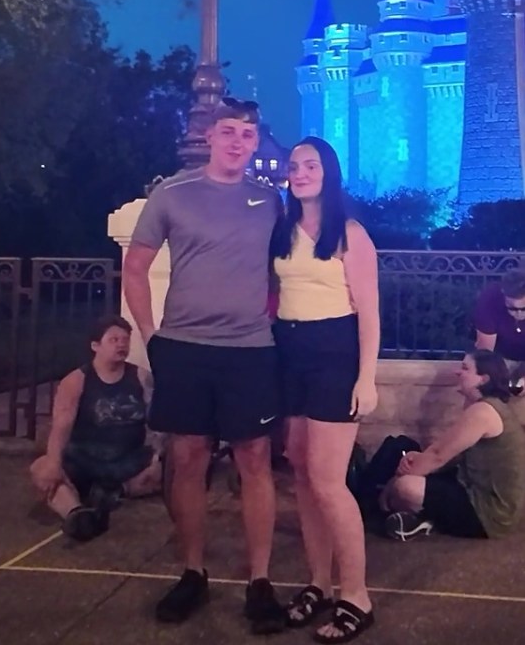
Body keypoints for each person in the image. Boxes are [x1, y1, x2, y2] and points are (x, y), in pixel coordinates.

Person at [122, 97, 286, 635]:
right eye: (229, 132)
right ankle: (193, 572)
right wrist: (152, 339)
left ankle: (259, 582)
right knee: (187, 460)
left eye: (247, 133)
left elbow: (288, 271)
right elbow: (136, 268)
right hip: (186, 349)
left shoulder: (270, 201)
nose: (238, 141)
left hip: (250, 351)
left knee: (255, 462)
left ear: (256, 141)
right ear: (210, 137)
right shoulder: (172, 193)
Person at [271, 137, 379, 644]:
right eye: (294, 166)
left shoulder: (350, 234)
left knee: (328, 480)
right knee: (300, 472)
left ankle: (355, 594)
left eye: (310, 164)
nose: (300, 172)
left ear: (328, 172)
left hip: (335, 356)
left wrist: (366, 377)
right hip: (289, 354)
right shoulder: (283, 227)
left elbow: (370, 316)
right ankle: (317, 581)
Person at [30, 315, 160, 541]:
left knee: (171, 470)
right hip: (83, 458)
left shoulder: (141, 377)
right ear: (95, 346)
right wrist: (53, 462)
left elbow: (157, 423)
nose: (121, 344)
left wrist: (158, 458)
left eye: (125, 339)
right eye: (114, 339)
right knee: (41, 470)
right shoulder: (76, 381)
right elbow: (61, 425)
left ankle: (114, 492)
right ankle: (78, 515)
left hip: (127, 460)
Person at [381, 349, 525, 541]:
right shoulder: (486, 406)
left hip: (489, 514)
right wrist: (418, 459)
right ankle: (422, 518)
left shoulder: (483, 412)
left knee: (405, 487)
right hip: (474, 488)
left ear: (483, 379)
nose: (458, 372)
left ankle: (420, 516)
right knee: (405, 453)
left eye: (465, 368)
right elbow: (448, 453)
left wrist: (394, 483)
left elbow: (438, 455)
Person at [474, 265, 525, 387]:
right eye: (512, 308)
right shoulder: (490, 299)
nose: (519, 314)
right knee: (478, 382)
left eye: (524, 309)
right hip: (500, 357)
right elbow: (485, 353)